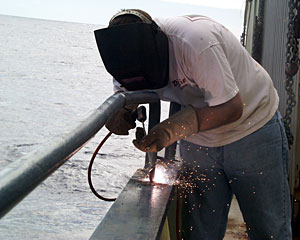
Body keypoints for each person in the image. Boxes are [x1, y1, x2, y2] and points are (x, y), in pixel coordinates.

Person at [95, 9, 292, 239]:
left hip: (252, 128)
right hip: (199, 142)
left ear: (159, 46)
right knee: (199, 232)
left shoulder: (195, 42)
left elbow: (232, 108)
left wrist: (170, 130)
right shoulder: (125, 60)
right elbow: (126, 93)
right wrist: (120, 113)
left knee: (269, 229)